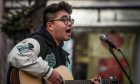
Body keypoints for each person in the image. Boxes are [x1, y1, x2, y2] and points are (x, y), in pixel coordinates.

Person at [7, 1, 100, 84]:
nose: (69, 23)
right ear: (50, 25)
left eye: (70, 20)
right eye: (64, 19)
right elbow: (15, 55)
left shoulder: (63, 56)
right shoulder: (37, 42)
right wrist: (48, 73)